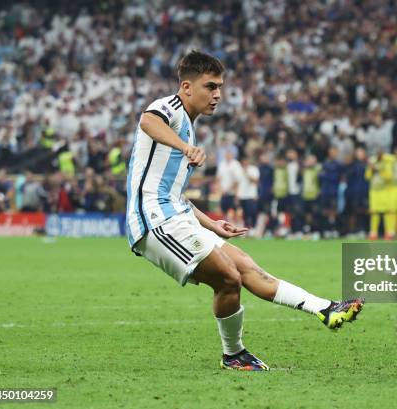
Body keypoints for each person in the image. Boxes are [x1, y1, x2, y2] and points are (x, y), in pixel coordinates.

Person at [125, 51, 363, 372]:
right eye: (210, 86)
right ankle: (233, 354)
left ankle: (325, 308)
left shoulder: (190, 126)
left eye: (220, 87)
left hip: (176, 214)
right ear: (186, 86)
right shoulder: (172, 109)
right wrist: (185, 148)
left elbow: (174, 193)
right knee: (228, 278)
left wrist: (212, 224)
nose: (217, 95)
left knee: (247, 267)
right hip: (154, 220)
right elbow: (147, 120)